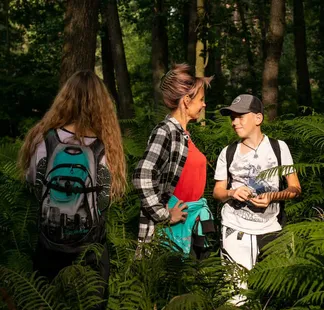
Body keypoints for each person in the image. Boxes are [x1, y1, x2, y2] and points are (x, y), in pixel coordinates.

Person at [18, 70, 126, 293]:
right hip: (90, 251)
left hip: (49, 244)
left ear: (64, 100)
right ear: (102, 105)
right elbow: (107, 196)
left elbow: (33, 182)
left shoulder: (45, 140)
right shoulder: (105, 147)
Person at [213, 94, 301, 303]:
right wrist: (232, 192)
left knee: (276, 293)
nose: (235, 122)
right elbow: (217, 192)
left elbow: (295, 188)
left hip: (271, 228)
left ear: (258, 118)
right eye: (232, 117)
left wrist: (272, 196)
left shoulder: (279, 148)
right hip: (235, 228)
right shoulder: (228, 152)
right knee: (236, 296)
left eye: (241, 116)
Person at [133, 64, 214, 258]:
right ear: (186, 101)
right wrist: (165, 215)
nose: (204, 105)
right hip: (171, 233)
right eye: (201, 99)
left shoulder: (183, 134)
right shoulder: (166, 131)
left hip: (191, 224)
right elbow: (142, 175)